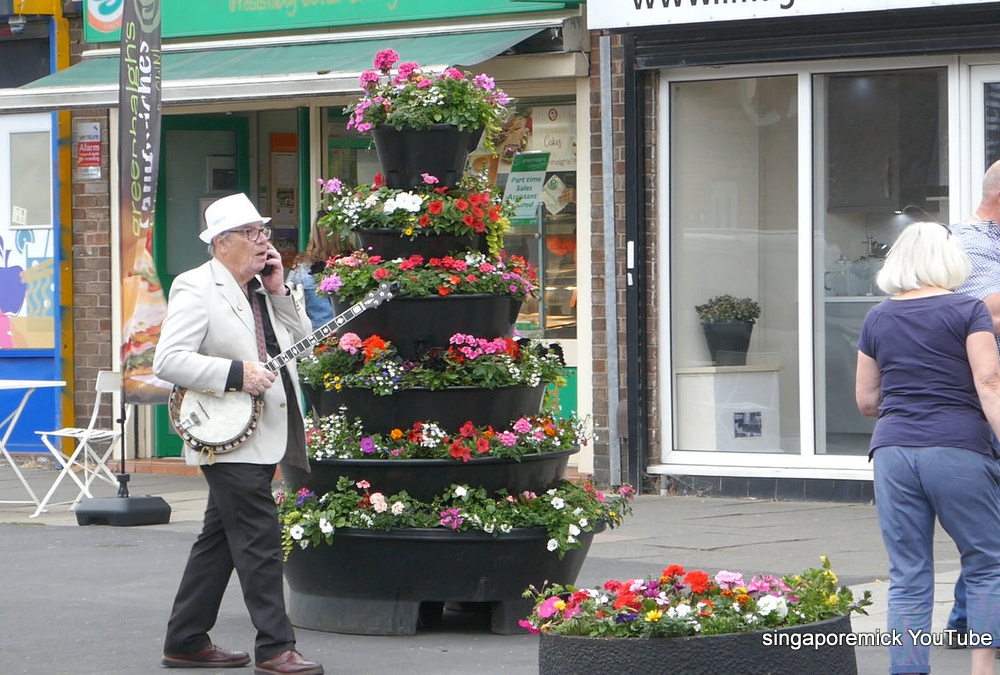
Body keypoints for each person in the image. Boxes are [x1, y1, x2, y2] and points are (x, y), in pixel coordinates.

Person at [153, 192, 323, 675]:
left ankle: (185, 639)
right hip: (224, 432)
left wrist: (278, 292)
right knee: (258, 536)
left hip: (264, 429)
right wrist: (236, 374)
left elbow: (300, 346)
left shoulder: (263, 287)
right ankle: (275, 647)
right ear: (222, 243)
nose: (262, 242)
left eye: (263, 232)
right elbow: (168, 361)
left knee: (221, 539)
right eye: (251, 234)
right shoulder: (195, 286)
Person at [856, 221, 1000, 675]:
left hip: (894, 453)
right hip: (959, 448)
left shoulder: (877, 316)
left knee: (909, 574)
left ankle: (909, 670)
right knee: (986, 563)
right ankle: (981, 670)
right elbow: (989, 382)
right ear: (950, 259)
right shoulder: (968, 310)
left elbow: (865, 401)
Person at [945, 158, 1000, 650]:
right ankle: (968, 624)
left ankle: (968, 622)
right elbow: (982, 315)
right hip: (987, 400)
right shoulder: (969, 243)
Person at [285, 215, 340, 331]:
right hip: (347, 334)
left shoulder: (301, 268)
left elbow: (286, 298)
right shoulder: (349, 265)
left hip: (315, 335)